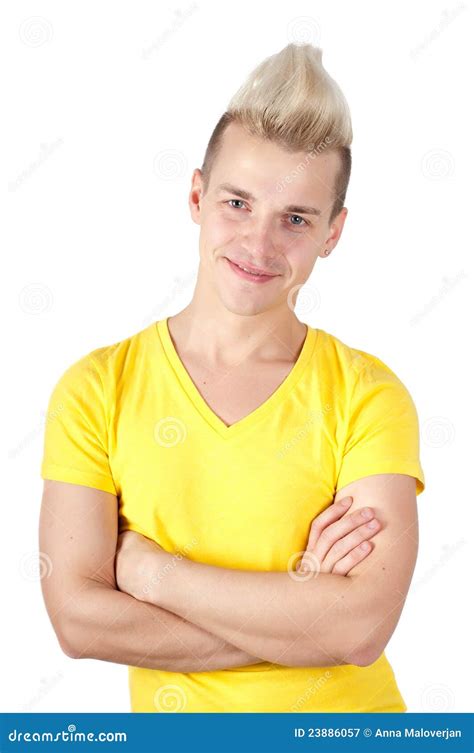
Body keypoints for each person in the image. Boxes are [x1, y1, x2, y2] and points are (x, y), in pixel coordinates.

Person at [39, 43, 425, 713]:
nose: (259, 244)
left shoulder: (368, 395)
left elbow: (361, 626)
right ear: (196, 195)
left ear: (333, 233)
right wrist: (308, 620)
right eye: (238, 203)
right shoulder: (96, 389)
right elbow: (78, 621)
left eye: (296, 219)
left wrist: (151, 572)